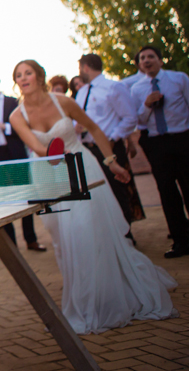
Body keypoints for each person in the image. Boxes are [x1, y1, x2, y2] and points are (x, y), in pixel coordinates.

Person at [9, 59, 177, 334]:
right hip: (48, 176)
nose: (23, 78)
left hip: (82, 167)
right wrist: (52, 159)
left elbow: (95, 129)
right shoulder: (17, 116)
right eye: (18, 75)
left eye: (28, 72)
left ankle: (96, 299)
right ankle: (84, 289)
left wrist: (111, 161)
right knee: (64, 240)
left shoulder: (64, 101)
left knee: (85, 230)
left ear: (39, 76)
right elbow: (38, 148)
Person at [129, 46, 189, 257]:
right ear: (139, 65)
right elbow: (138, 121)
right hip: (157, 143)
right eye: (142, 59)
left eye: (151, 57)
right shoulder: (137, 89)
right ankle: (180, 241)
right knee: (167, 192)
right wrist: (147, 105)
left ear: (160, 60)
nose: (146, 61)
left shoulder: (179, 79)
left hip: (185, 137)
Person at [0, 70, 45, 251]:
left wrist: (4, 127)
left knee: (25, 195)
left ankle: (31, 239)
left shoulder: (13, 102)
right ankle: (11, 244)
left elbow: (23, 128)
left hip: (15, 154)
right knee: (2, 200)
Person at [74, 54, 144, 240]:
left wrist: (113, 137)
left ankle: (125, 235)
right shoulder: (82, 92)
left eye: (80, 68)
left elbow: (130, 118)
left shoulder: (114, 87)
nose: (80, 72)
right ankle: (107, 237)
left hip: (109, 148)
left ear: (86, 67)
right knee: (96, 193)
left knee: (116, 191)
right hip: (87, 149)